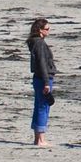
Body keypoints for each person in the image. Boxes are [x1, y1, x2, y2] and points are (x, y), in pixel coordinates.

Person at [27, 17, 55, 146]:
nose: (49, 31)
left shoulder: (35, 42)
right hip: (43, 78)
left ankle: (38, 138)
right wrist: (46, 82)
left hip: (39, 77)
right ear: (40, 30)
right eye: (47, 29)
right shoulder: (39, 43)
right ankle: (40, 139)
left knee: (40, 106)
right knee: (43, 107)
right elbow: (42, 64)